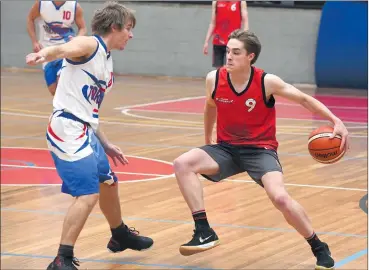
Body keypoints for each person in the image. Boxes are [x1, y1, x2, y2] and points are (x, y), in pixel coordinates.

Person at [173, 29, 349, 270]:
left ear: (250, 57)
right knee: (182, 163)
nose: (229, 57)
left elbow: (304, 100)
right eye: (228, 52)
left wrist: (335, 120)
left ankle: (318, 246)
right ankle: (204, 231)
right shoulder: (214, 79)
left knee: (280, 198)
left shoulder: (266, 82)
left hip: (260, 151)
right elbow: (210, 106)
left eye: (236, 52)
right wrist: (207, 139)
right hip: (227, 149)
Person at [26, 2, 153, 269]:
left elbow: (90, 109)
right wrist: (46, 52)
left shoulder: (106, 59)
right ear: (115, 27)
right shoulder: (91, 45)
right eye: (128, 29)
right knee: (87, 194)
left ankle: (119, 235)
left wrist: (105, 143)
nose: (131, 35)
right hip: (66, 129)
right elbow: (67, 48)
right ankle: (62, 258)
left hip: (86, 128)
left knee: (108, 181)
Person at [27, 0, 87, 96]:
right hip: (46, 51)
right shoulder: (41, 4)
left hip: (65, 49)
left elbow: (83, 28)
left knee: (62, 84)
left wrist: (76, 40)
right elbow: (30, 18)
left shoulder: (75, 6)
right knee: (53, 90)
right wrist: (34, 41)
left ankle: (68, 110)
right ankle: (62, 109)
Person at [203, 1, 249, 68]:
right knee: (219, 70)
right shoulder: (216, 2)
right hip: (218, 41)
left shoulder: (240, 2)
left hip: (232, 42)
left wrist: (246, 38)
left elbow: (245, 21)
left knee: (227, 68)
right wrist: (206, 41)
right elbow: (213, 23)